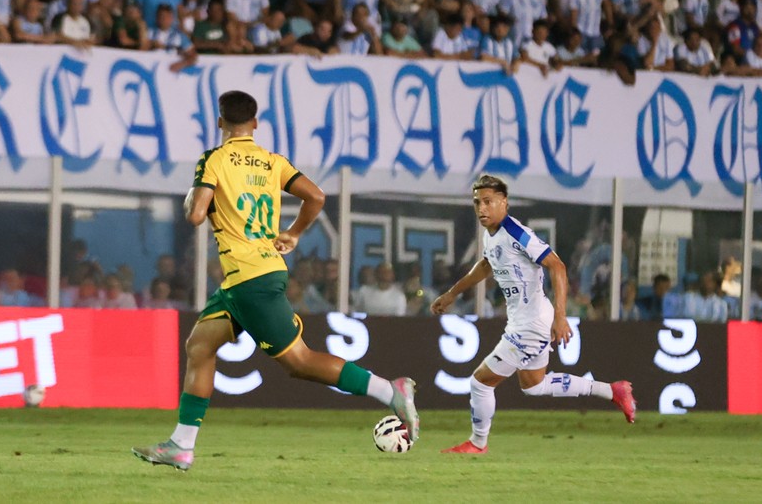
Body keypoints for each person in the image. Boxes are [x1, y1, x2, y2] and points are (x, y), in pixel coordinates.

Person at [132, 91, 419, 471]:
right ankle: (181, 446)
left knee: (299, 362)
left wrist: (194, 194)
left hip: (250, 278)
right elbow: (315, 196)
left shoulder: (213, 160)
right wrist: (295, 232)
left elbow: (196, 215)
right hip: (245, 278)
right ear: (255, 123)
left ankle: (389, 390)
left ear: (220, 123)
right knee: (199, 346)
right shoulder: (272, 162)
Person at [431, 174, 635, 455]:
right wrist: (453, 293)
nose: (481, 208)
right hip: (525, 320)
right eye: (477, 202)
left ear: (504, 202)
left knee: (480, 382)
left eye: (488, 202)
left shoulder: (517, 233)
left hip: (531, 324)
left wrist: (560, 317)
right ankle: (613, 391)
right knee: (534, 385)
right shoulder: (491, 235)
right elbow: (486, 265)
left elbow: (558, 266)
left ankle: (477, 443)